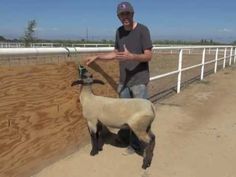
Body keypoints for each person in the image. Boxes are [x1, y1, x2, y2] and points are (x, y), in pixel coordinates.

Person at [86, 1, 153, 152]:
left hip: (139, 81)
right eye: (122, 14)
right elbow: (115, 53)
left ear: (133, 14)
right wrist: (98, 57)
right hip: (123, 81)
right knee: (123, 113)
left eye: (127, 13)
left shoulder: (143, 30)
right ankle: (128, 139)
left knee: (138, 116)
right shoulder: (119, 31)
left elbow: (148, 56)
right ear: (118, 16)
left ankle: (137, 145)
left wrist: (132, 56)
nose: (125, 17)